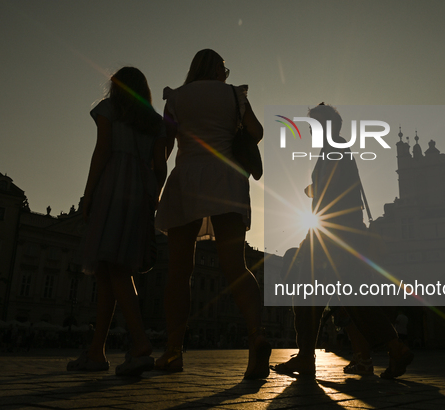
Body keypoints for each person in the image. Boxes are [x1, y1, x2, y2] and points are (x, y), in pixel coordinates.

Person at [273, 104, 413, 379]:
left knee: (305, 292)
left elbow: (329, 191)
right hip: (344, 231)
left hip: (331, 233)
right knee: (351, 297)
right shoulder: (337, 149)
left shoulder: (334, 149)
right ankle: (395, 347)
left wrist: (315, 199)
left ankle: (305, 357)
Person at [155, 49, 269, 379]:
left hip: (187, 178)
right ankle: (256, 335)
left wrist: (154, 187)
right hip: (227, 180)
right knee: (235, 264)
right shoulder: (234, 94)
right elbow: (257, 132)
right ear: (218, 70)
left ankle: (174, 351)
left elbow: (166, 146)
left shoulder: (176, 98)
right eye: (224, 68)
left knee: (179, 269)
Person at [67, 67, 168, 376]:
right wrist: (153, 196)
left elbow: (103, 150)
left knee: (114, 268)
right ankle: (96, 352)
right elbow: (161, 167)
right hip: (141, 190)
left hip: (113, 184)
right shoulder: (155, 122)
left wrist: (88, 194)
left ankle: (139, 344)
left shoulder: (108, 109)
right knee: (109, 272)